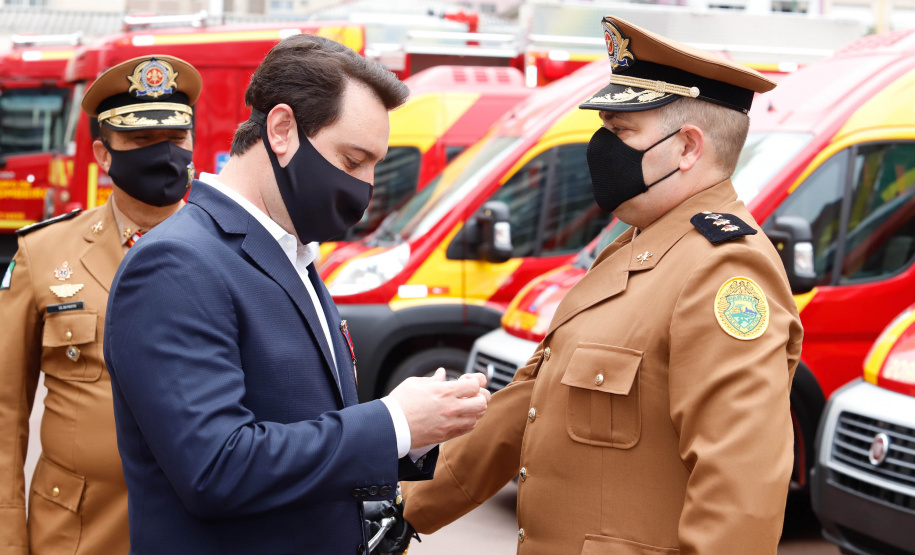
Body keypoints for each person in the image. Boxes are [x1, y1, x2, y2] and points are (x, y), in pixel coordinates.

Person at [401, 16, 804, 554]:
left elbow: (739, 492)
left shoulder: (724, 271)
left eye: (621, 132)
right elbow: (528, 409)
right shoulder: (640, 243)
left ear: (687, 147)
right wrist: (400, 512)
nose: (599, 147)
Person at [102, 34, 490, 555]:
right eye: (352, 161)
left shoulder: (290, 249)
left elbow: (299, 421)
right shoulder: (176, 263)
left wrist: (416, 430)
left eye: (374, 165)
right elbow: (217, 467)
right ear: (282, 130)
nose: (365, 189)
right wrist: (391, 423)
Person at [0, 54, 200, 554]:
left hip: (194, 527)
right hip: (76, 532)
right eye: (140, 141)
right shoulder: (43, 253)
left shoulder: (231, 250)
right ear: (103, 153)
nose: (163, 154)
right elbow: (5, 412)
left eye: (176, 139)